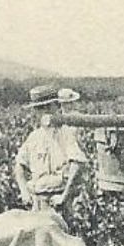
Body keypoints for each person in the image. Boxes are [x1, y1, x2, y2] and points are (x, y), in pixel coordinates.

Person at [13, 84, 89, 212]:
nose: (44, 112)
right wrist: (24, 191)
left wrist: (64, 196)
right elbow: (19, 165)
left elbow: (78, 165)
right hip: (36, 200)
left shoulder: (66, 133)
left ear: (57, 107)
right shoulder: (34, 137)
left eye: (47, 107)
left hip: (57, 201)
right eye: (39, 108)